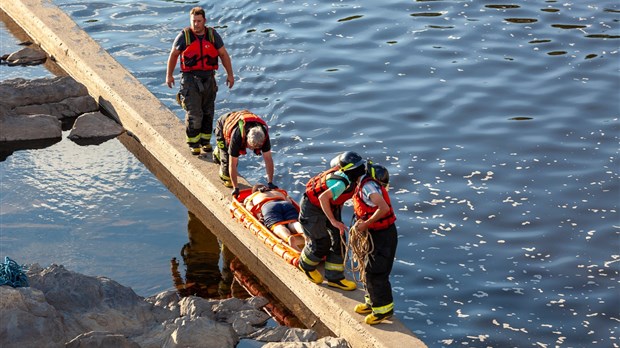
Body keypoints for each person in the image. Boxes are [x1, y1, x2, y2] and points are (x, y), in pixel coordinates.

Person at [166, 6, 234, 155]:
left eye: (198, 21)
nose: (196, 24)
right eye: (193, 21)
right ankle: (193, 142)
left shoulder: (213, 35)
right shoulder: (184, 36)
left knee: (208, 112)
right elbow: (173, 55)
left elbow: (223, 54)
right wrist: (169, 75)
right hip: (190, 79)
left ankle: (205, 141)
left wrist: (230, 74)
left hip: (209, 78)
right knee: (194, 113)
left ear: (204, 21)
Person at [297, 151, 366, 291]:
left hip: (330, 206)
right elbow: (323, 198)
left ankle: (335, 278)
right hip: (312, 209)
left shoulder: (353, 180)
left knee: (339, 239)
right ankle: (305, 265)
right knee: (321, 242)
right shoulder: (341, 182)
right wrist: (334, 221)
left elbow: (337, 199)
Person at [351, 162, 398, 325]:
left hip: (383, 236)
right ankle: (371, 302)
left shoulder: (370, 188)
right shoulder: (366, 186)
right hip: (373, 234)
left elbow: (383, 209)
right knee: (367, 269)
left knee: (377, 272)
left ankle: (383, 310)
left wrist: (366, 223)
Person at [213, 110, 275, 193]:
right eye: (251, 147)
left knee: (232, 158)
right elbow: (232, 164)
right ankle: (218, 152)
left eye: (255, 148)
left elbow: (268, 159)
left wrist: (270, 182)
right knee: (227, 169)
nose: (252, 149)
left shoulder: (263, 135)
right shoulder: (237, 136)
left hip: (241, 120)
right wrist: (236, 188)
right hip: (223, 125)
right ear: (247, 138)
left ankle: (220, 152)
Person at [243, 183, 305, 252]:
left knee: (277, 225)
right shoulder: (277, 191)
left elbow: (249, 207)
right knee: (293, 222)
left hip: (268, 206)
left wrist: (258, 215)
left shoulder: (252, 196)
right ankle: (304, 234)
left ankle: (288, 237)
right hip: (284, 203)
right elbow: (289, 201)